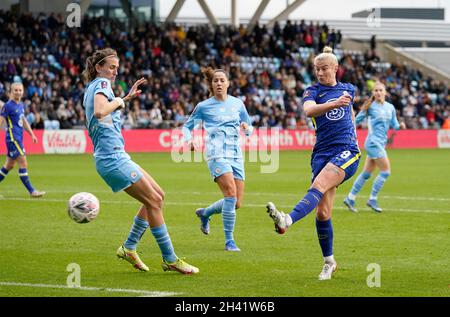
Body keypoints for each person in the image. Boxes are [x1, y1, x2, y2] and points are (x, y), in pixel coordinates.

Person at [82, 48, 198, 274]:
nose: (116, 72)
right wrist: (119, 100)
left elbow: (104, 110)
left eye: (117, 67)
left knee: (158, 196)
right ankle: (170, 259)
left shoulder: (94, 87)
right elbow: (99, 112)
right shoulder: (102, 84)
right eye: (112, 67)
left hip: (116, 155)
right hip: (111, 158)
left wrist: (124, 99)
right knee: (154, 201)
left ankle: (129, 248)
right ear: (99, 67)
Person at [266, 46, 361, 280]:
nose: (320, 73)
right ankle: (329, 262)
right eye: (317, 69)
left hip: (346, 150)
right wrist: (333, 104)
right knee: (322, 212)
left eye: (324, 68)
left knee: (318, 186)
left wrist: (349, 123)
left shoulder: (348, 89)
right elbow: (309, 111)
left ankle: (287, 219)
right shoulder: (312, 91)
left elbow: (348, 110)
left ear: (336, 69)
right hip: (321, 153)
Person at [182, 67, 253, 252]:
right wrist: (189, 141)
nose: (219, 83)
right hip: (216, 154)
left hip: (236, 155)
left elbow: (249, 127)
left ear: (228, 83)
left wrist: (246, 128)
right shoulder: (204, 106)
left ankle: (205, 213)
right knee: (230, 194)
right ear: (211, 85)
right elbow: (187, 127)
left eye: (222, 80)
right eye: (216, 81)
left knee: (236, 203)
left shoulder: (238, 104)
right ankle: (230, 241)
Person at [344, 81, 405, 213]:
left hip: (380, 143)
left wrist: (401, 125)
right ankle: (372, 199)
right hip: (373, 143)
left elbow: (394, 126)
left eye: (380, 90)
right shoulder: (370, 106)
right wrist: (346, 128)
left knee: (366, 174)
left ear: (385, 92)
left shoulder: (390, 108)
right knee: (386, 171)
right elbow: (357, 120)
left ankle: (350, 198)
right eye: (376, 90)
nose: (378, 92)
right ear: (373, 93)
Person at [0, 82, 45, 197]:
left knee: (9, 165)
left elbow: (23, 121)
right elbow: (1, 120)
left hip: (18, 138)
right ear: (11, 91)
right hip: (13, 139)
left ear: (23, 91)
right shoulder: (8, 106)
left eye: (20, 90)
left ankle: (32, 191)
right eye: (16, 90)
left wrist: (32, 135)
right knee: (23, 162)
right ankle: (32, 191)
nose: (18, 92)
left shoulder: (20, 105)